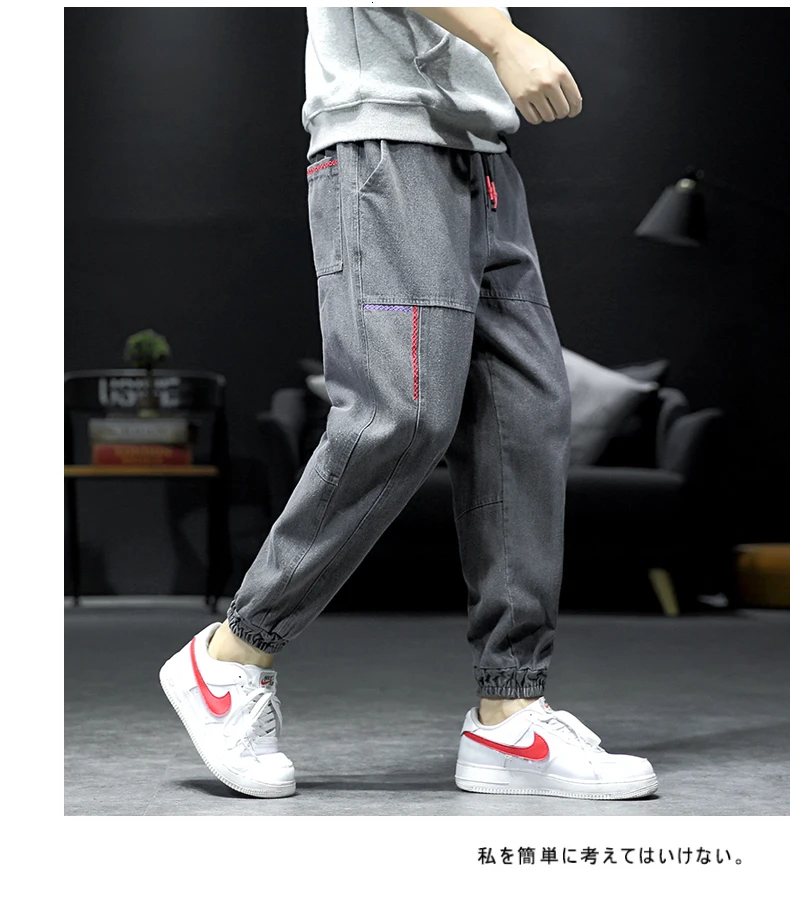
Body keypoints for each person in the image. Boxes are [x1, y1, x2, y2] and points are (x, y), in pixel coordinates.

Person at [159, 6, 658, 801]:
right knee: (403, 415)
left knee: (524, 423)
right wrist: (502, 38)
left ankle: (509, 715)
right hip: (387, 143)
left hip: (483, 159)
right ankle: (231, 655)